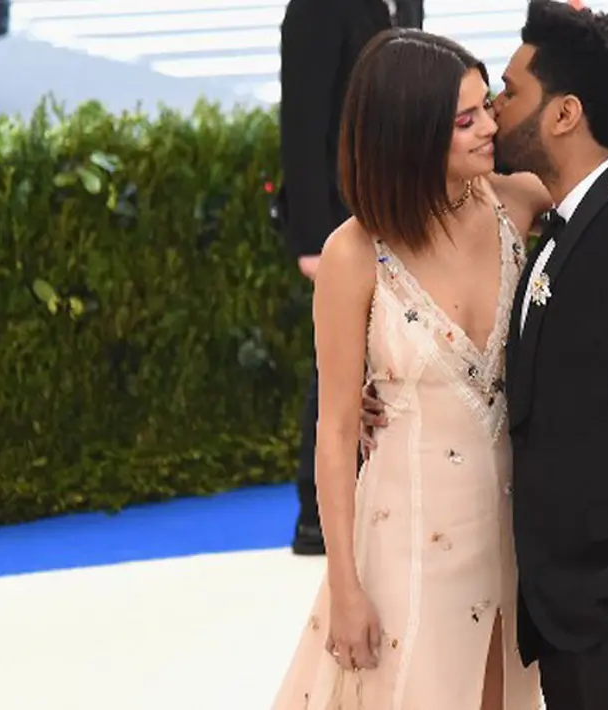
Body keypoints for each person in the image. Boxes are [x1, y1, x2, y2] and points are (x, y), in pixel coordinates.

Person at [360, 3, 608, 707]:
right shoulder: (555, 220)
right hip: (565, 610)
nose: (492, 111)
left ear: (563, 113)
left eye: (509, 92)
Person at [268, 21, 608, 710]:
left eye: (486, 104)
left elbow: (604, 204)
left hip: (515, 536)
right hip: (404, 540)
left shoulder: (517, 200)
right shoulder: (352, 253)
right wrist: (344, 586)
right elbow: (337, 431)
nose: (490, 124)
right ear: (408, 131)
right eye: (465, 119)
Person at [277, 0, 425, 556]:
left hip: (398, 205)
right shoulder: (317, 7)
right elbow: (303, 120)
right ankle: (315, 514)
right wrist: (312, 238)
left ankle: (374, 491)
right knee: (337, 362)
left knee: (387, 348)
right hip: (340, 218)